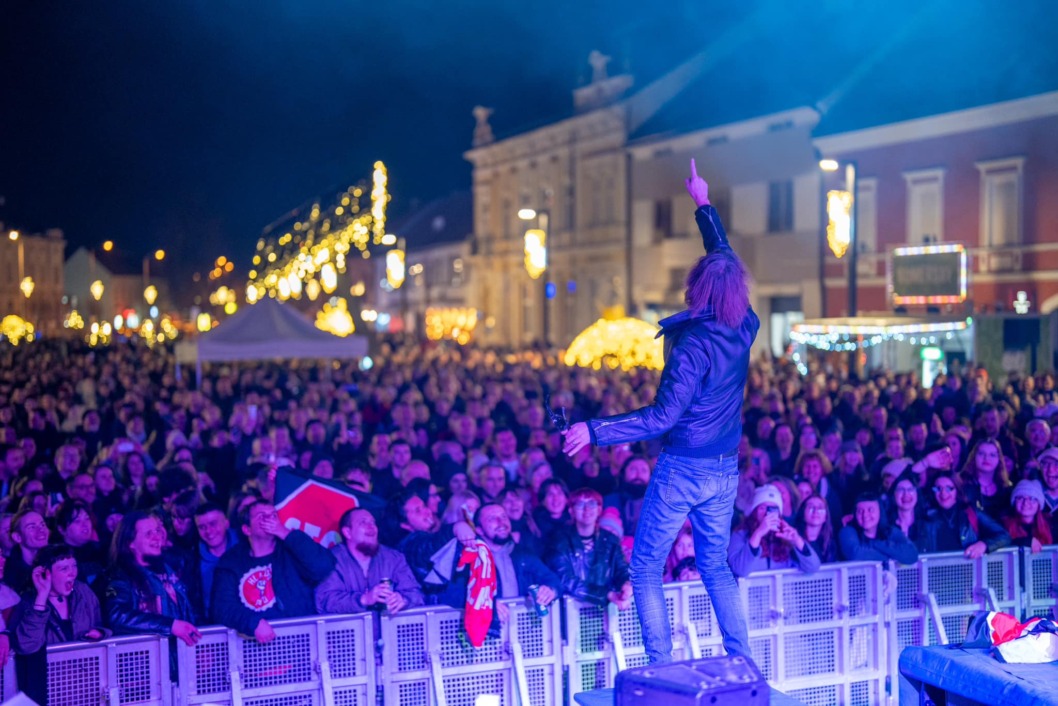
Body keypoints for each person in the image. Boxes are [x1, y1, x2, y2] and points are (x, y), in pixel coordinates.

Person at [564, 159, 757, 663]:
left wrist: (594, 429)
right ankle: (743, 660)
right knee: (715, 567)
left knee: (646, 567)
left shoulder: (693, 345)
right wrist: (703, 203)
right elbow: (726, 260)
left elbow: (661, 418)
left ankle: (662, 670)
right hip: (724, 469)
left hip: (685, 467)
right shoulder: (747, 325)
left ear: (697, 287)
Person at [211, 500, 336, 642]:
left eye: (273, 515)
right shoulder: (231, 561)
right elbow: (222, 608)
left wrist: (285, 533)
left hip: (299, 645)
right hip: (255, 652)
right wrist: (253, 623)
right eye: (262, 516)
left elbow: (324, 566)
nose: (270, 519)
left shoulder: (290, 550)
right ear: (247, 529)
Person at [10, 545, 109, 706]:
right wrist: (42, 595)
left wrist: (100, 633)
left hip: (87, 690)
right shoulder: (30, 602)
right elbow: (27, 645)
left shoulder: (83, 592)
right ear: (45, 573)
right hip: (50, 692)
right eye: (64, 568)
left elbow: (102, 624)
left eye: (74, 565)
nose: (72, 573)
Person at [101, 511, 201, 645]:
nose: (157, 537)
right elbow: (117, 615)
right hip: (146, 661)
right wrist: (170, 626)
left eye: (157, 531)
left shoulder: (172, 567)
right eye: (149, 534)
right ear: (130, 543)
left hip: (182, 656)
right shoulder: (118, 577)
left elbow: (192, 609)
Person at [315, 508, 423, 615]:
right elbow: (324, 601)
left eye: (373, 522)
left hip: (388, 629)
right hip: (348, 630)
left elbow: (417, 595)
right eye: (363, 522)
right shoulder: (332, 559)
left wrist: (404, 600)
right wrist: (364, 600)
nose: (371, 526)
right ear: (348, 532)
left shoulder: (394, 558)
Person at [546, 488, 631, 608]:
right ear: (571, 511)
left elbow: (621, 569)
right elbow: (566, 579)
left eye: (592, 504)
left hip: (608, 608)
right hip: (573, 609)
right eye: (580, 504)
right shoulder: (560, 541)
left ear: (599, 509)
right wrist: (606, 594)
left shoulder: (610, 540)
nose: (587, 509)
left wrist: (626, 583)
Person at [728, 485, 820, 576]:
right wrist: (758, 535)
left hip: (782, 590)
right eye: (762, 508)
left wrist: (797, 541)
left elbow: (813, 568)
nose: (767, 514)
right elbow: (739, 570)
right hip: (752, 590)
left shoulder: (785, 536)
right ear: (754, 511)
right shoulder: (740, 534)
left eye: (772, 509)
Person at [919, 471, 1011, 558]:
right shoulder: (926, 517)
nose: (943, 493)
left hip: (967, 571)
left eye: (949, 488)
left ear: (957, 490)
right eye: (938, 489)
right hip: (935, 572)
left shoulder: (971, 513)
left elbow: (1004, 536)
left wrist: (984, 545)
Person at [837, 494, 919, 564]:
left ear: (880, 512)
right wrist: (893, 556)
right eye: (860, 511)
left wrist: (874, 544)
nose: (865, 515)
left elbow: (912, 554)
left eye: (870, 510)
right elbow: (855, 554)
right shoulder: (847, 531)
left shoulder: (890, 531)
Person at [1000, 480, 1052, 554]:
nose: (1026, 503)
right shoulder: (1003, 525)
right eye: (1020, 498)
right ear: (1014, 502)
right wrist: (1026, 541)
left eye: (1032, 499)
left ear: (1039, 504)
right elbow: (999, 544)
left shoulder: (1051, 525)